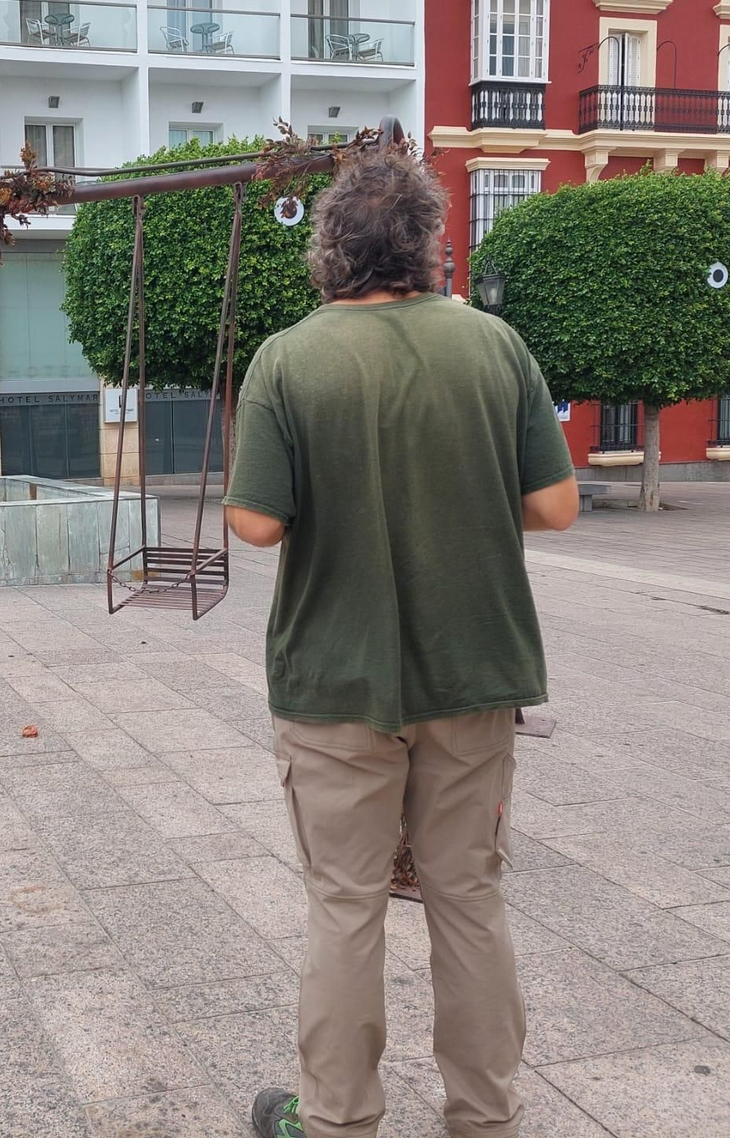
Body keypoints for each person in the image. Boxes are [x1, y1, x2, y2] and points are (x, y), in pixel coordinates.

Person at [222, 145, 578, 1138]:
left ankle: (333, 1122)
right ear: (427, 245)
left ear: (330, 249)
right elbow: (553, 506)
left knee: (345, 905)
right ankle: (483, 1118)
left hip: (335, 682)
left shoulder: (288, 359)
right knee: (467, 896)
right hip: (474, 675)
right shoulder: (494, 348)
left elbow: (255, 525)